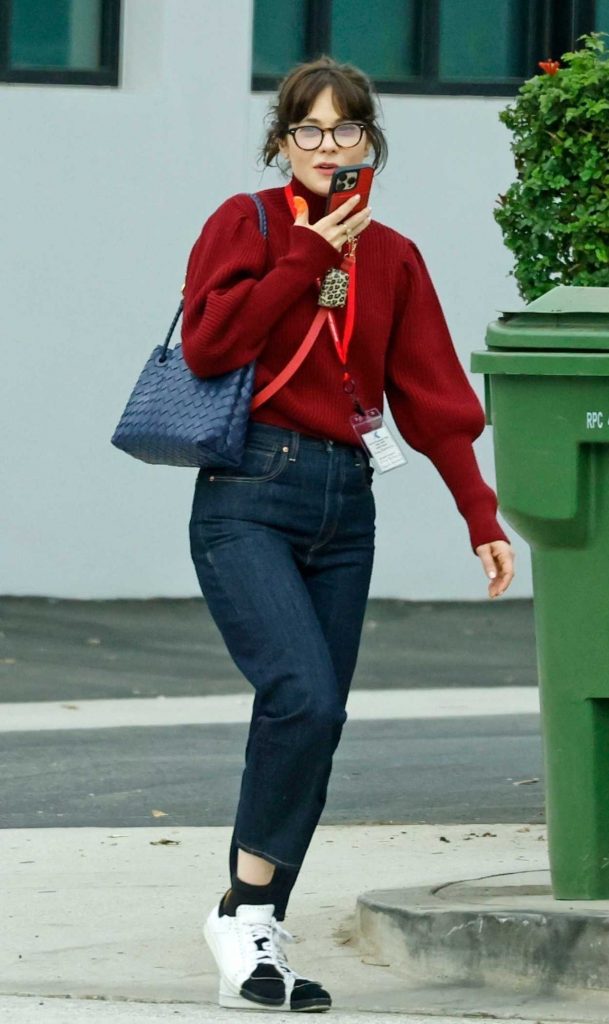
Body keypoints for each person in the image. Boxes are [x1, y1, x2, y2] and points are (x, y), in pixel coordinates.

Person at [181, 55, 515, 1013]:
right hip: (248, 491)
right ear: (282, 143)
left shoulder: (396, 255)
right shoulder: (242, 225)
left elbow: (431, 397)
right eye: (308, 130)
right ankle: (245, 912)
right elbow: (211, 343)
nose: (329, 146)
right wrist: (306, 256)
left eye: (347, 128)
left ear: (370, 140)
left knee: (312, 722)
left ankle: (256, 926)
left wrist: (477, 513)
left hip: (345, 504)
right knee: (303, 694)